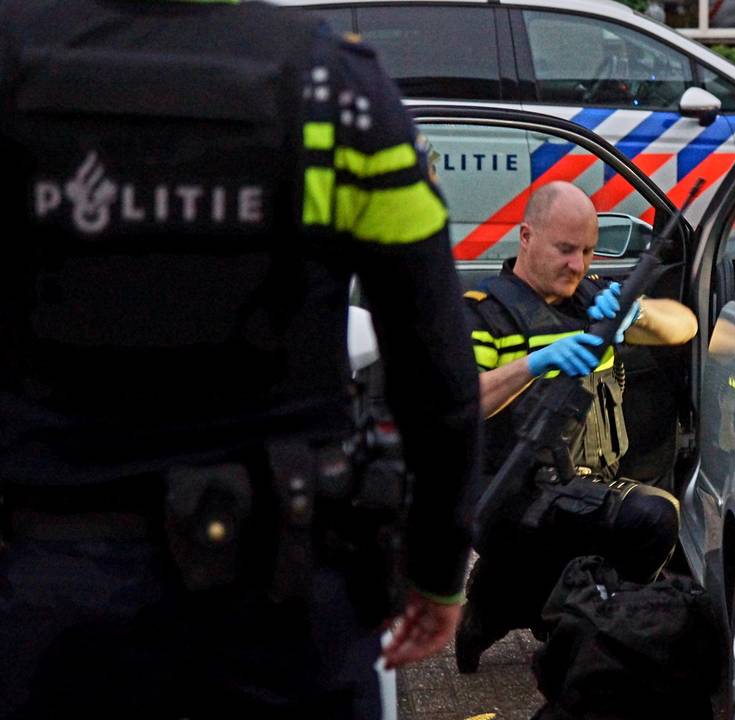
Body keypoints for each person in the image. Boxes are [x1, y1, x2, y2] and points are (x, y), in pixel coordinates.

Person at [0, 1, 479, 718]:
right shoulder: (338, 91)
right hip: (281, 608)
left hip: (44, 601)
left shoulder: (9, 56)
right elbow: (436, 370)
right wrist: (439, 571)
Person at [456, 180, 697, 673]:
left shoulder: (594, 303)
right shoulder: (484, 314)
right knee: (580, 534)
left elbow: (684, 326)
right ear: (526, 237)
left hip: (592, 484)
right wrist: (534, 364)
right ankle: (496, 605)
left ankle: (574, 625)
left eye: (587, 251)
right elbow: (459, 405)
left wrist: (637, 311)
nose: (578, 264)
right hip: (513, 493)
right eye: (565, 249)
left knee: (655, 518)